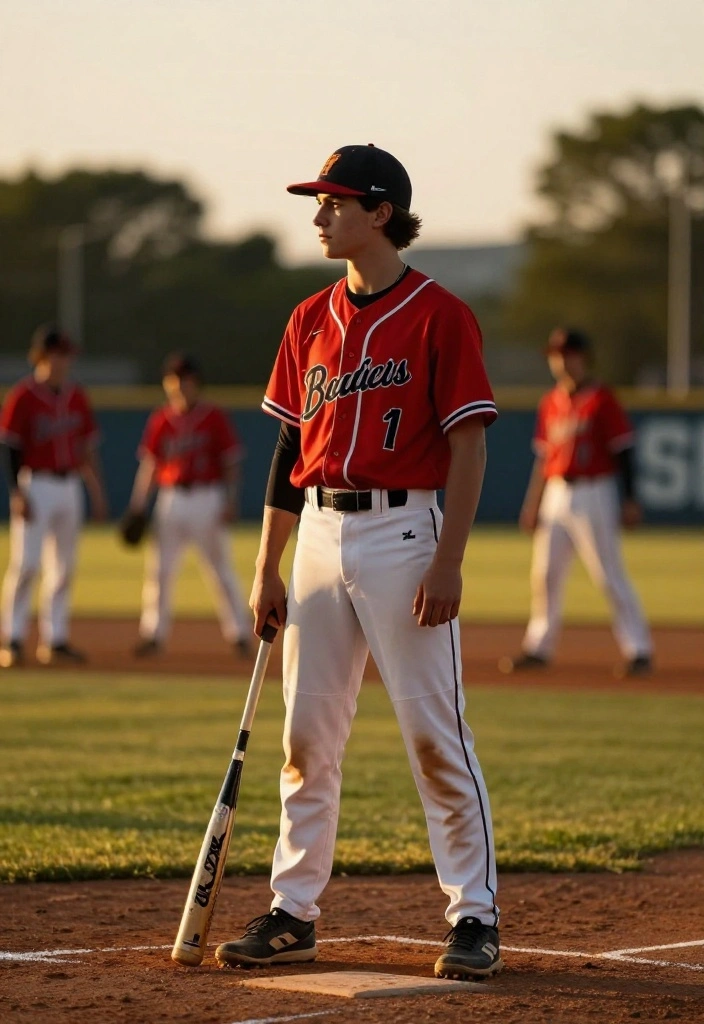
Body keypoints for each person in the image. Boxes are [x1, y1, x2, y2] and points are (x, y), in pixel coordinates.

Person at [215, 144, 502, 981]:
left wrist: (449, 560)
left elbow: (469, 444)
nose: (318, 214)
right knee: (307, 738)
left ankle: (475, 916)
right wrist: (267, 568)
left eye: (335, 202)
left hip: (404, 535)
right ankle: (293, 911)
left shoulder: (440, 314)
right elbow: (285, 449)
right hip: (316, 534)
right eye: (319, 201)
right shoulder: (307, 318)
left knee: (434, 734)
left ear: (381, 213)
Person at [500, 328, 652, 678]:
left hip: (594, 490)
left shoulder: (602, 398)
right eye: (556, 354)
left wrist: (629, 498)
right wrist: (533, 503)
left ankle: (639, 649)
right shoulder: (550, 401)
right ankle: (538, 648)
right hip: (556, 492)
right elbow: (543, 459)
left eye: (568, 353)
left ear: (584, 356)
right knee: (545, 575)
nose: (562, 360)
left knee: (608, 574)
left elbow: (623, 451)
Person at [127, 353, 251, 657]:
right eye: (174, 380)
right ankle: (153, 634)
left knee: (220, 570)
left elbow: (231, 463)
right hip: (171, 501)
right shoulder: (161, 419)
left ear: (196, 383)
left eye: (185, 379)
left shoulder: (214, 417)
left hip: (207, 498)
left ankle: (239, 634)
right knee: (159, 571)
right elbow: (151, 466)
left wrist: (230, 499)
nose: (180, 385)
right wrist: (138, 505)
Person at [0, 325, 107, 668]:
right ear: (41, 357)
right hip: (36, 484)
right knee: (27, 564)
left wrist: (96, 492)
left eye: (66, 355)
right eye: (58, 354)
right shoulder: (24, 395)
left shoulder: (76, 396)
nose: (64, 361)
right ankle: (13, 638)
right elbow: (10, 448)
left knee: (63, 567)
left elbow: (86, 449)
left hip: (69, 485)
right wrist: (16, 492)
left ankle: (55, 639)